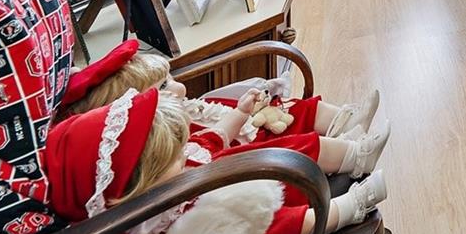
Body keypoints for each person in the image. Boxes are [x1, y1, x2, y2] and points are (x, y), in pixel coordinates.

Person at [46, 88, 386, 234]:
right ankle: (346, 209)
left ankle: (354, 155)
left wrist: (237, 115)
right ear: (135, 186)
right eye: (174, 157)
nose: (184, 154)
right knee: (270, 228)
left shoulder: (169, 176)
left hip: (221, 195)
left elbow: (209, 138)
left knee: (284, 149)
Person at [61, 40, 387, 177]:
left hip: (240, 132)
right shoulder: (164, 148)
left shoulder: (181, 113)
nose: (179, 88)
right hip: (244, 158)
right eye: (163, 88)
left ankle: (342, 122)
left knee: (285, 107)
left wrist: (243, 110)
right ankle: (351, 154)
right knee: (289, 141)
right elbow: (219, 147)